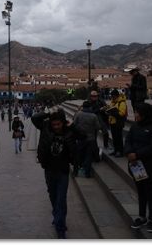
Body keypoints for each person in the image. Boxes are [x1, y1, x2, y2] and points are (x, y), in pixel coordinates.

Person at [32, 108, 77, 239]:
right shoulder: (45, 128)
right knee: (53, 196)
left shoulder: (68, 131)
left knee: (61, 199)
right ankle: (57, 215)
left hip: (63, 170)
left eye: (59, 124)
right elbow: (34, 118)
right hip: (49, 169)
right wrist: (47, 113)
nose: (56, 127)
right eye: (54, 124)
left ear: (63, 122)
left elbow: (83, 135)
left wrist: (72, 125)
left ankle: (60, 226)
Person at [124, 103, 152, 233]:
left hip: (150, 164)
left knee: (150, 191)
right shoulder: (135, 126)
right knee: (141, 190)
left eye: (137, 112)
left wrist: (137, 154)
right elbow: (128, 140)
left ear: (144, 114)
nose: (135, 115)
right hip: (136, 165)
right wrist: (129, 152)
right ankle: (142, 216)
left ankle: (151, 219)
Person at [73, 100, 102, 177]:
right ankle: (87, 173)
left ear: (83, 106)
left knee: (79, 154)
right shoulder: (93, 116)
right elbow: (98, 127)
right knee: (88, 156)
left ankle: (76, 171)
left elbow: (74, 124)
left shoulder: (78, 114)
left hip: (80, 138)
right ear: (90, 107)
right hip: (91, 139)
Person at [106, 89, 128, 157]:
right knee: (114, 138)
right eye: (111, 96)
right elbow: (110, 108)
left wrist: (112, 112)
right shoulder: (112, 102)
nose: (112, 97)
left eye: (113, 96)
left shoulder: (122, 103)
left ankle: (120, 151)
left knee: (119, 138)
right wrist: (107, 110)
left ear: (116, 96)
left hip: (118, 123)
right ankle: (115, 150)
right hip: (112, 122)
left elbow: (122, 113)